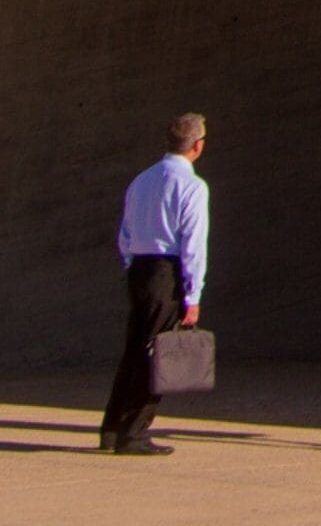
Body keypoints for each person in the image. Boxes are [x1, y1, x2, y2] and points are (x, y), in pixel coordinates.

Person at [99, 112, 211, 456]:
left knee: (135, 349)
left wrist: (132, 263)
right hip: (167, 270)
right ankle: (134, 431)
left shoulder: (142, 180)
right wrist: (193, 293)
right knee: (157, 355)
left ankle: (113, 427)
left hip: (140, 268)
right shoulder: (192, 186)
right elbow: (194, 243)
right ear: (198, 146)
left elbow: (125, 232)